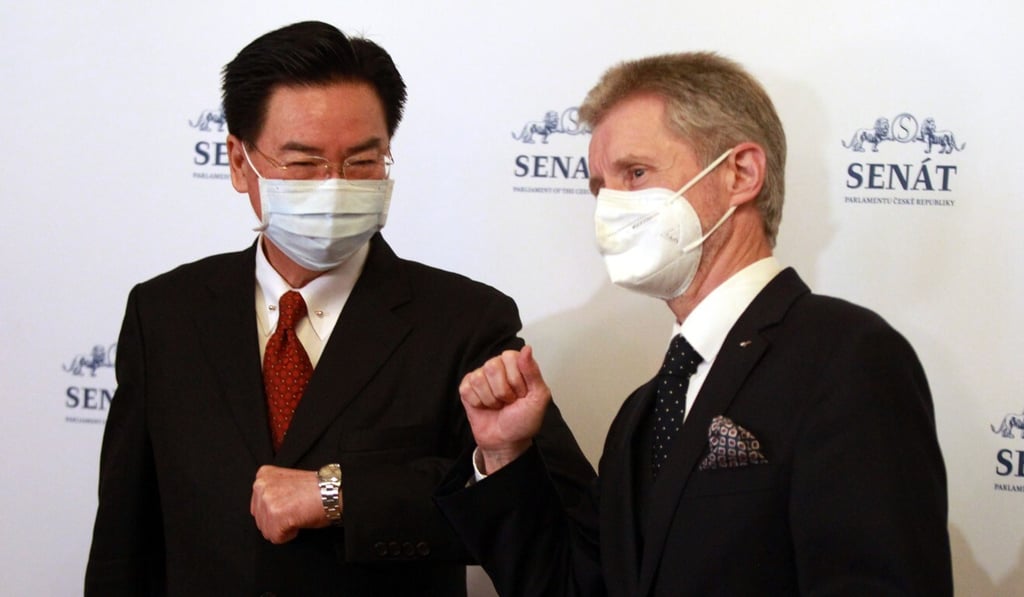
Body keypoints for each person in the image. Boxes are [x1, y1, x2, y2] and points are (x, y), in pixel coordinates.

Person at [85, 20, 593, 596]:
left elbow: (546, 528)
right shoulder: (165, 315)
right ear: (237, 161)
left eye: (361, 163)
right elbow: (125, 543)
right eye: (302, 164)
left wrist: (340, 495)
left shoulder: (466, 320)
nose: (334, 185)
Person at [435, 52, 953, 595]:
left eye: (635, 173)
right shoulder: (644, 411)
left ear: (741, 173)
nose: (610, 207)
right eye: (599, 188)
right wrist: (504, 455)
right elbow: (580, 587)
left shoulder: (847, 356)